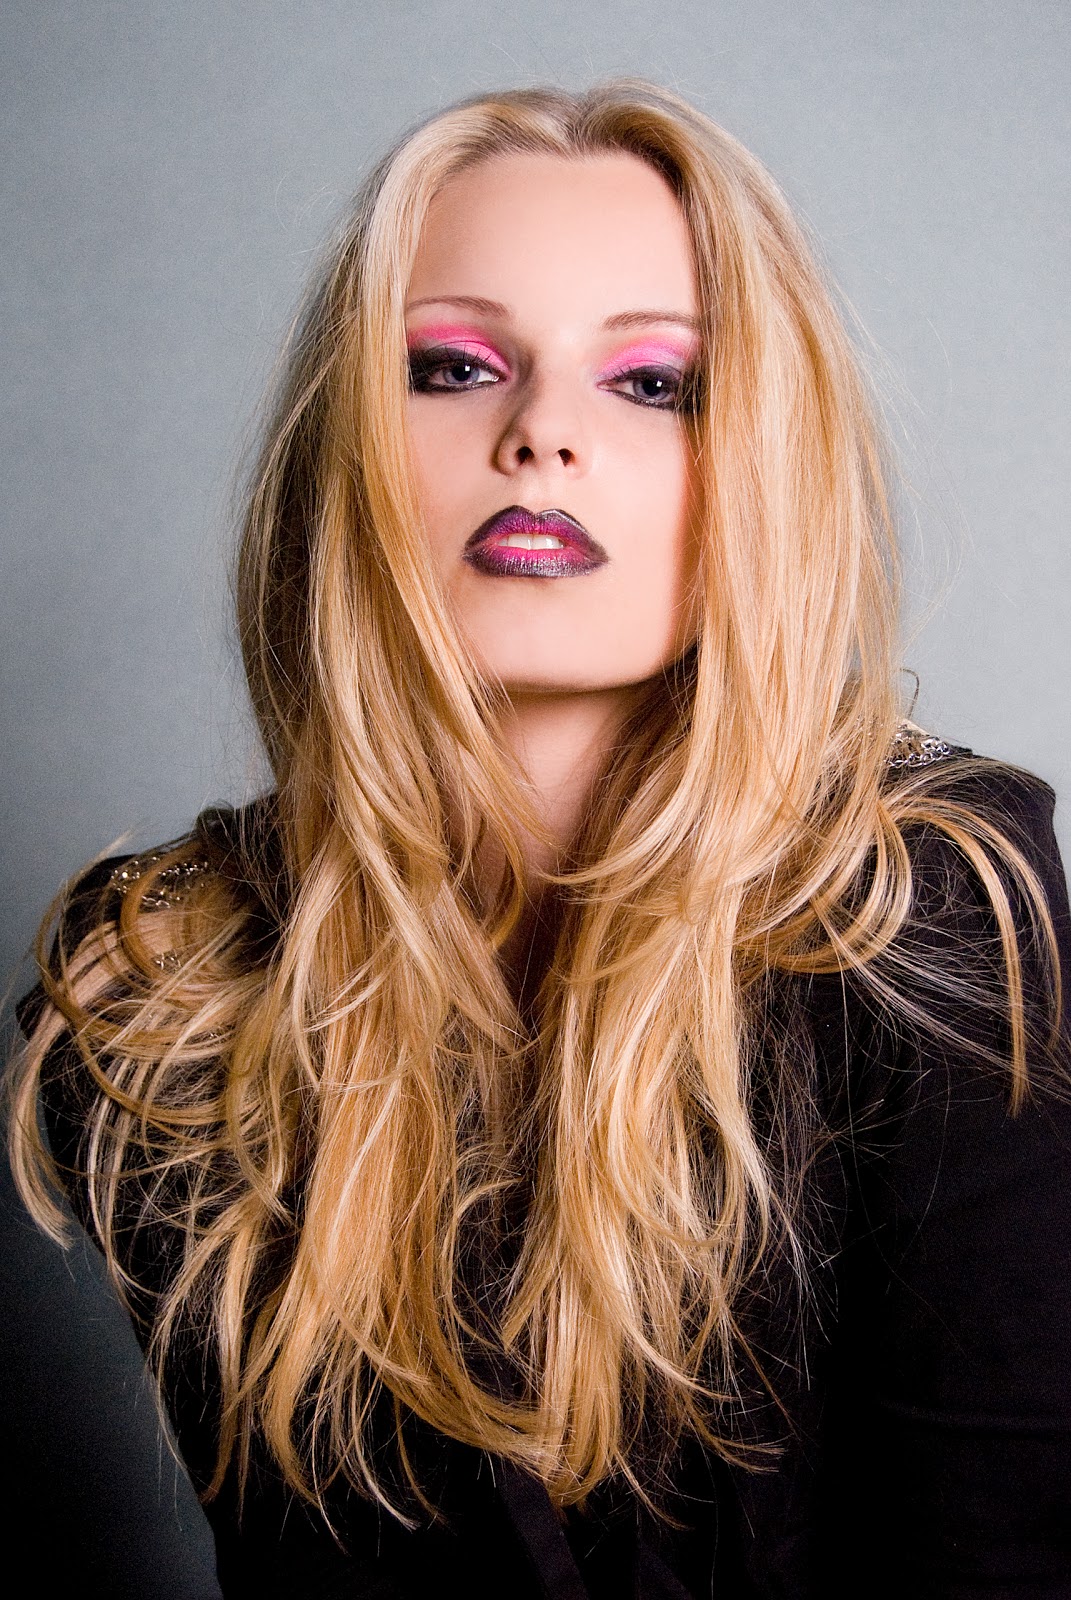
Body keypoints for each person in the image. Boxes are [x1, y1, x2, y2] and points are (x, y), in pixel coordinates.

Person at [8, 81, 1071, 1598]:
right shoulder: (168, 992)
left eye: (653, 382)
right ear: (345, 444)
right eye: (451, 366)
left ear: (760, 461)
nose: (541, 436)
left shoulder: (925, 906)